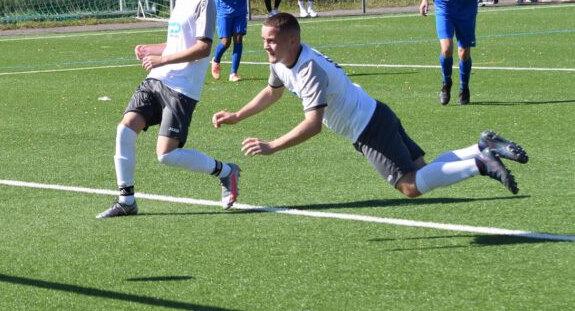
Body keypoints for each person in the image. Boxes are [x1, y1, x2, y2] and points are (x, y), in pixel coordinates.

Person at [211, 13, 527, 200]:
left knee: (409, 186)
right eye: (264, 39)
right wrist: (238, 116)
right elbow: (272, 91)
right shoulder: (281, 61)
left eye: (271, 40)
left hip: (368, 128)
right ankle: (481, 146)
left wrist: (272, 146)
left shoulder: (308, 70)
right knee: (422, 171)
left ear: (292, 41)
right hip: (376, 114)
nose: (265, 45)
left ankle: (481, 164)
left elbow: (313, 125)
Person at [96, 0, 240, 219]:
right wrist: (152, 49)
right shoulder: (180, 1)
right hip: (156, 80)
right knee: (124, 130)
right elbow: (176, 44)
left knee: (166, 155)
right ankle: (126, 200)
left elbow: (203, 48)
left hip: (182, 89)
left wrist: (162, 59)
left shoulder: (204, 2)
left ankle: (226, 171)